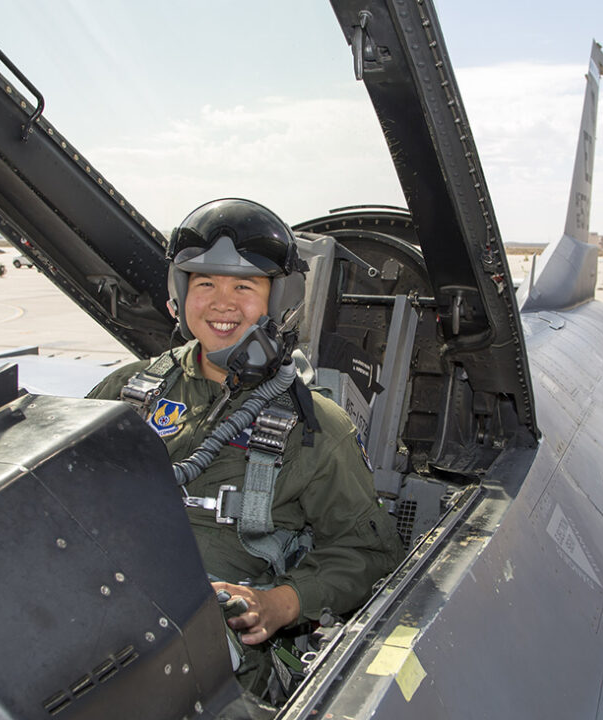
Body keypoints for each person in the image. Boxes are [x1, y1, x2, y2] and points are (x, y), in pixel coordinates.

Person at [88, 198, 404, 697]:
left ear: (280, 302)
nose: (221, 302)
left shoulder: (315, 426)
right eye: (205, 283)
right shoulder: (129, 389)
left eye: (244, 286)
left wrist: (280, 603)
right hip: (97, 596)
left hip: (213, 653)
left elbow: (369, 554)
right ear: (179, 293)